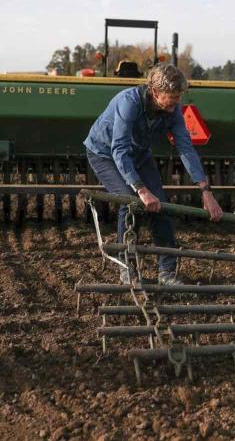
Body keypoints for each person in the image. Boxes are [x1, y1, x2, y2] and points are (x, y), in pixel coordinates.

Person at [84, 64, 224, 285]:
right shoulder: (129, 102)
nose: (176, 102)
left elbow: (185, 148)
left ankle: (166, 272)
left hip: (139, 154)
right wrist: (141, 189)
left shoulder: (173, 110)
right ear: (156, 93)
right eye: (172, 97)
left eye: (179, 96)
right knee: (130, 202)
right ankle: (126, 266)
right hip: (104, 154)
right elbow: (119, 149)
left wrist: (205, 190)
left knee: (161, 205)